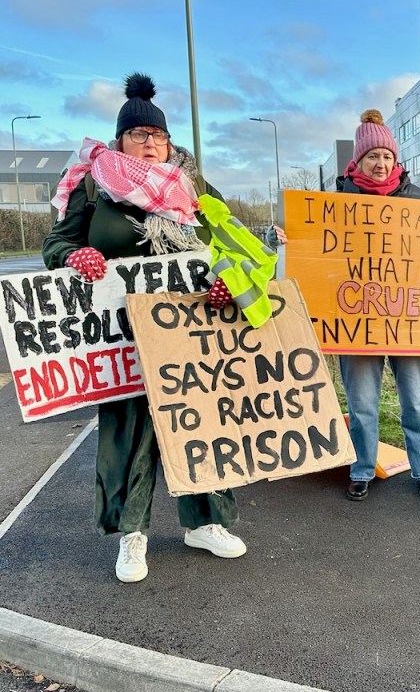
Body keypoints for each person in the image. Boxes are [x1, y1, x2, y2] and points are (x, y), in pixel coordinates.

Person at [42, 73, 247, 583]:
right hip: (122, 333)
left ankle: (206, 522)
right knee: (128, 431)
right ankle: (132, 534)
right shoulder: (92, 186)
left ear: (169, 141)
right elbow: (55, 247)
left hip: (193, 331)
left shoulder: (195, 186)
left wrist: (231, 283)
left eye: (158, 135)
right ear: (120, 140)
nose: (151, 143)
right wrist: (76, 254)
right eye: (139, 134)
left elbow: (232, 245)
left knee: (200, 422)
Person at [269, 109, 420, 502]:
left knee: (415, 400)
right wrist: (282, 239)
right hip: (355, 319)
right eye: (372, 157)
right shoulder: (335, 201)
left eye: (386, 156)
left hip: (405, 318)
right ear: (358, 161)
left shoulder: (416, 198)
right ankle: (362, 468)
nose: (380, 164)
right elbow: (312, 253)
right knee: (362, 404)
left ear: (395, 160)